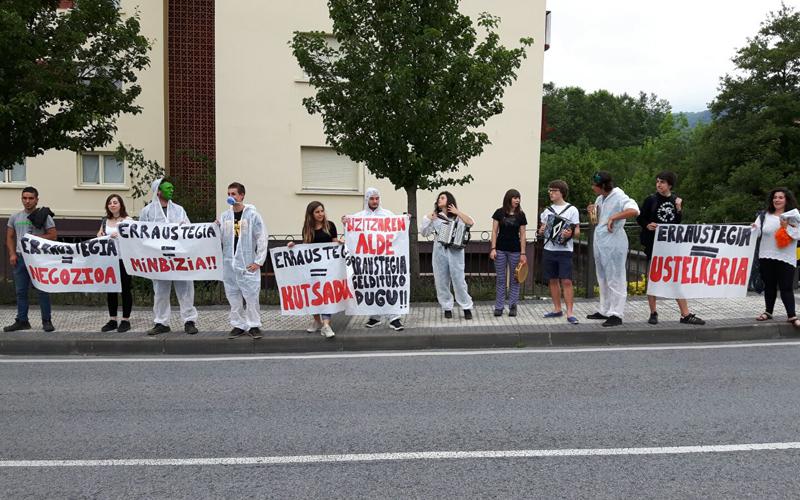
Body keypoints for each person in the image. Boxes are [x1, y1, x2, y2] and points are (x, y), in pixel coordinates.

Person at [636, 171, 705, 326]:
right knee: (652, 278)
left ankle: (685, 314)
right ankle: (653, 312)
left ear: (670, 185)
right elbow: (640, 217)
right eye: (657, 182)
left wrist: (679, 208)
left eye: (662, 182)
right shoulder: (651, 200)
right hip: (653, 245)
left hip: (670, 247)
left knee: (676, 279)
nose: (659, 185)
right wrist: (647, 225)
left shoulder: (675, 200)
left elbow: (676, 223)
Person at [139, 178, 199, 335]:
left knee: (186, 289)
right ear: (158, 191)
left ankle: (189, 321)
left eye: (172, 188)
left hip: (179, 258)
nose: (172, 190)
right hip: (159, 259)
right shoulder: (147, 212)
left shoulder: (179, 210)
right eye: (168, 188)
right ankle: (161, 322)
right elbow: (140, 234)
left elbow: (189, 229)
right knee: (160, 291)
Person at [586, 172, 639, 327]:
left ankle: (616, 313)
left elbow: (634, 210)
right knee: (602, 277)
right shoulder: (599, 198)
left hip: (614, 242)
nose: (592, 188)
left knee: (615, 277)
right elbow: (597, 221)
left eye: (594, 185)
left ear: (602, 186)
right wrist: (592, 213)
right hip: (601, 241)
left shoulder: (619, 195)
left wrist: (614, 217)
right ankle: (605, 309)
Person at [346, 187, 404, 331]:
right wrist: (346, 221)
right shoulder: (359, 217)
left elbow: (397, 230)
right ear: (366, 200)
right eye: (372, 198)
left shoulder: (387, 215)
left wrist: (404, 220)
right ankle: (375, 316)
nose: (375, 201)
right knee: (372, 287)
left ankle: (394, 317)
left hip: (385, 259)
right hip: (368, 260)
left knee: (388, 285)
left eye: (377, 198)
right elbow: (353, 233)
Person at [219, 182, 268, 340]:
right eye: (229, 194)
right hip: (229, 263)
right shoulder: (225, 217)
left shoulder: (253, 215)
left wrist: (259, 261)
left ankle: (254, 325)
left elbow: (262, 238)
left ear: (242, 195)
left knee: (251, 295)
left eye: (234, 194)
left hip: (247, 263)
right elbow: (219, 238)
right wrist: (214, 227)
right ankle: (238, 325)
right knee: (233, 295)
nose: (231, 197)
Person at [3, 186, 56, 332]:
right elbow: (9, 237)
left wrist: (34, 239)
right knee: (21, 292)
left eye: (30, 198)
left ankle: (46, 320)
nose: (27, 201)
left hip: (38, 258)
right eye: (24, 198)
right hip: (20, 258)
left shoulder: (44, 216)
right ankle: (22, 320)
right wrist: (12, 254)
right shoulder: (15, 217)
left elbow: (52, 235)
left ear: (37, 200)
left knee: (42, 290)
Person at [420, 191, 474, 320]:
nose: (439, 200)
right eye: (438, 198)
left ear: (449, 200)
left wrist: (458, 212)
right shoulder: (436, 217)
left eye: (442, 198)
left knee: (459, 280)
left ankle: (466, 307)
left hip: (456, 252)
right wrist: (428, 219)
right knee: (441, 281)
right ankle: (447, 307)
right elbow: (424, 233)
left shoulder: (457, 216)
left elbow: (471, 222)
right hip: (440, 252)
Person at [289, 201, 339, 338]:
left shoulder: (330, 225)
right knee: (314, 295)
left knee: (327, 295)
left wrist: (339, 243)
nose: (320, 214)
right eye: (317, 212)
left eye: (322, 211)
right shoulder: (307, 228)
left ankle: (326, 325)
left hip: (328, 268)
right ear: (311, 214)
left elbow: (334, 243)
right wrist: (293, 246)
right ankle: (317, 321)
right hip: (312, 269)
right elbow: (305, 248)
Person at [752, 188, 800, 328]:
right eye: (775, 197)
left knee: (786, 287)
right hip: (766, 255)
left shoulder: (794, 216)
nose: (777, 200)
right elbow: (758, 232)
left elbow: (798, 235)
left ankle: (792, 316)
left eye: (780, 197)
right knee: (769, 286)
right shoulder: (764, 215)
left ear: (786, 200)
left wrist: (786, 227)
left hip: (785, 257)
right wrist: (753, 228)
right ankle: (768, 312)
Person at [537, 180, 580, 324]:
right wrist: (541, 230)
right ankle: (557, 309)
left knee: (566, 280)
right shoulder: (547, 211)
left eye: (554, 191)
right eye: (550, 190)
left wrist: (570, 234)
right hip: (549, 248)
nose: (551, 193)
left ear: (561, 192)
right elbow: (542, 229)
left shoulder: (572, 210)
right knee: (552, 280)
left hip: (565, 250)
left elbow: (577, 231)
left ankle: (570, 312)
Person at [97, 194, 134, 333]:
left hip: (123, 259)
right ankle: (112, 319)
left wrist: (121, 235)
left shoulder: (127, 220)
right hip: (109, 260)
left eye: (115, 202)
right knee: (111, 289)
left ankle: (125, 320)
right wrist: (102, 236)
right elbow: (99, 235)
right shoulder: (104, 221)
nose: (112, 205)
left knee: (125, 289)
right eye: (110, 203)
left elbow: (133, 236)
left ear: (120, 205)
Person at [490, 189, 528, 317]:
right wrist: (493, 248)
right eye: (515, 197)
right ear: (509, 198)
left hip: (516, 251)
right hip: (500, 250)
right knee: (501, 279)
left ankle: (513, 306)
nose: (517, 200)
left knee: (515, 279)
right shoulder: (499, 213)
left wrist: (523, 253)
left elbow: (523, 234)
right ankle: (499, 306)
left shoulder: (521, 215)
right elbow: (494, 232)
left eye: (519, 198)